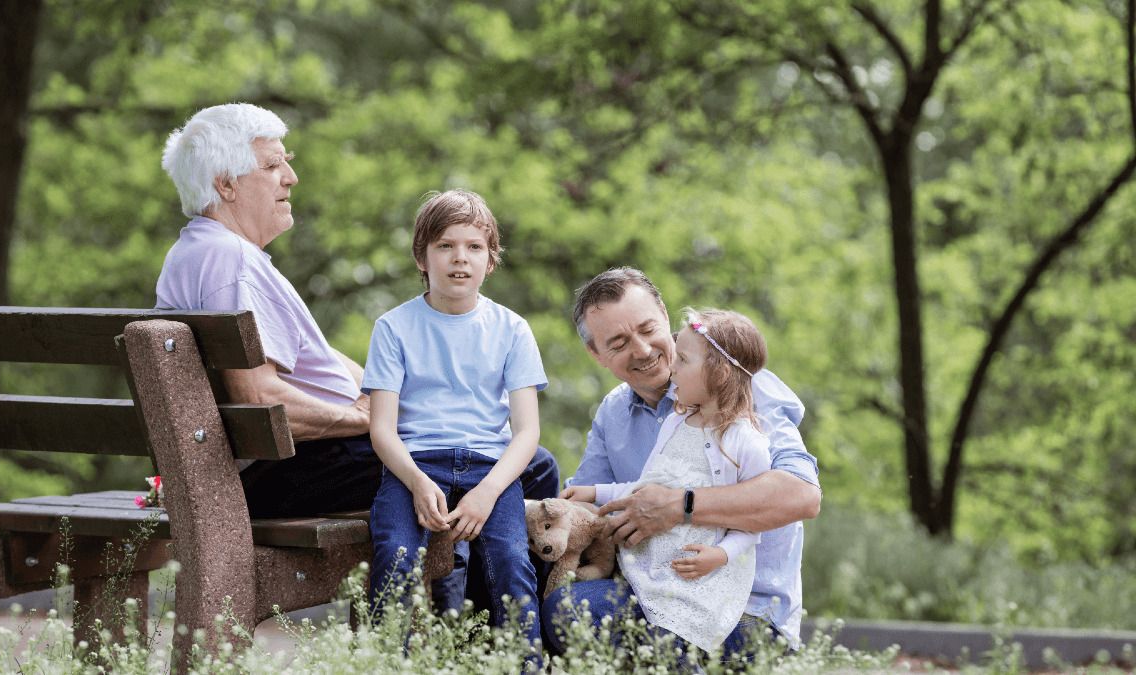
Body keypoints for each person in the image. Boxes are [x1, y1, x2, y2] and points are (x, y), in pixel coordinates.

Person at [153, 105, 559, 528]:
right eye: (273, 166)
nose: (291, 178)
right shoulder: (232, 263)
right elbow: (260, 400)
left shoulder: (195, 252)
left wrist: (385, 399)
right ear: (225, 184)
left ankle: (460, 590)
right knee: (528, 468)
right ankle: (489, 598)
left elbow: (314, 358)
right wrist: (366, 418)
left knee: (468, 456)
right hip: (284, 468)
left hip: (268, 465)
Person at [542, 267, 821, 655]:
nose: (641, 350)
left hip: (746, 608)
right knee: (566, 608)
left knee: (661, 646)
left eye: (647, 328)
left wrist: (679, 507)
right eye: (619, 342)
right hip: (657, 594)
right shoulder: (614, 413)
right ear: (596, 353)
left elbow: (802, 496)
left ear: (664, 314)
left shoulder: (740, 385)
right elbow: (592, 511)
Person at [362, 190, 543, 652]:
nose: (459, 259)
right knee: (395, 553)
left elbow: (527, 434)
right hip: (414, 465)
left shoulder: (512, 329)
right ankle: (388, 661)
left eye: (474, 247)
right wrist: (418, 482)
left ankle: (521, 661)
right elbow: (382, 428)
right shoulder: (393, 327)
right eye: (445, 246)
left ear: (490, 260)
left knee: (510, 560)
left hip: (489, 468)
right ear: (422, 256)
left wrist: (488, 492)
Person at [562, 308, 772, 655]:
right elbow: (648, 485)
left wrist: (720, 555)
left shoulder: (744, 443)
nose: (672, 367)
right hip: (653, 568)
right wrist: (595, 491)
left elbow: (754, 521)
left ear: (717, 373)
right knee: (581, 607)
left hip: (703, 576)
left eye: (684, 360)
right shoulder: (676, 423)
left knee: (670, 638)